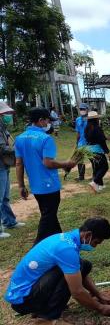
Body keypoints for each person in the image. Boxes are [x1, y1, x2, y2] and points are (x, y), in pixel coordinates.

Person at [4, 218, 110, 325]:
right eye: (96, 242)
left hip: (28, 292)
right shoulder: (67, 249)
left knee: (83, 265)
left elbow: (79, 272)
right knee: (68, 276)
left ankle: (42, 307)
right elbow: (77, 292)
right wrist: (100, 308)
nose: (95, 246)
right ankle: (46, 319)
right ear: (88, 235)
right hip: (23, 300)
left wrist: (99, 294)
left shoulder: (67, 239)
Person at [15, 108, 76, 244]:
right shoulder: (46, 138)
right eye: (48, 120)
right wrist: (67, 163)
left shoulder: (19, 138)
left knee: (49, 214)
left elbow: (19, 164)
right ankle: (37, 246)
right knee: (48, 216)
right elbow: (48, 163)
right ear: (41, 120)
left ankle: (59, 240)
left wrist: (21, 186)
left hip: (35, 185)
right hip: (49, 185)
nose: (49, 123)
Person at [0, 104, 25, 239]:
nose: (7, 116)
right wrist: (18, 149)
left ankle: (9, 222)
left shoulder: (3, 128)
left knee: (5, 197)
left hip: (4, 165)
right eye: (4, 114)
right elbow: (3, 149)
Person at [85, 111, 110, 193]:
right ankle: (94, 182)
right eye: (98, 118)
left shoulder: (87, 128)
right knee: (104, 167)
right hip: (97, 151)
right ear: (96, 119)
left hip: (88, 150)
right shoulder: (97, 128)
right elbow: (102, 142)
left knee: (97, 168)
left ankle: (100, 185)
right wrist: (109, 154)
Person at [75, 104, 89, 181]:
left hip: (90, 143)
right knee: (80, 160)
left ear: (87, 109)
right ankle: (81, 176)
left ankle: (95, 176)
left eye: (83, 109)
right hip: (81, 143)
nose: (82, 111)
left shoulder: (91, 119)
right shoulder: (78, 120)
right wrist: (77, 143)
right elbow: (78, 132)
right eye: (81, 109)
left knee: (93, 160)